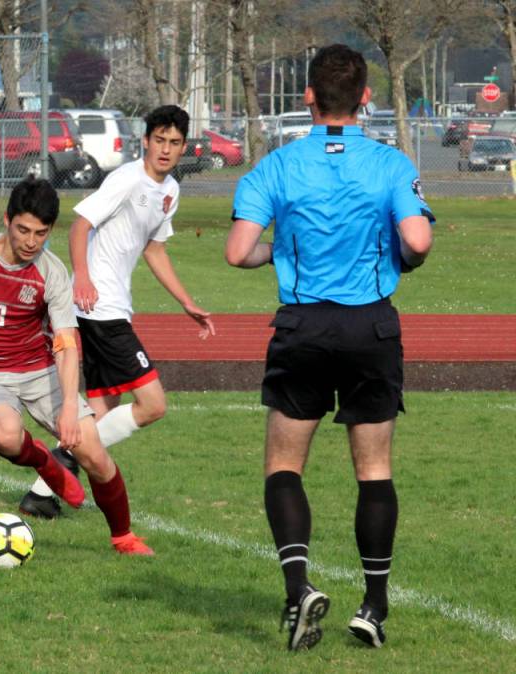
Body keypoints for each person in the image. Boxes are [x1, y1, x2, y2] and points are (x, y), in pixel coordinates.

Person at [225, 44, 433, 651]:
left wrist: (281, 253)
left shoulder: (275, 166)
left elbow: (238, 252)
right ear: (366, 97)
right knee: (373, 470)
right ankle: (373, 606)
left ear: (308, 97)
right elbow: (417, 242)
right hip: (369, 327)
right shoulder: (392, 163)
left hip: (304, 328)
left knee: (284, 466)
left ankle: (298, 591)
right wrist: (396, 256)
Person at [0, 176, 153, 555]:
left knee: (94, 454)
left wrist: (70, 410)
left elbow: (66, 343)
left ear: (50, 230)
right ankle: (45, 462)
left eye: (40, 233)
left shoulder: (51, 272)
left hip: (39, 371)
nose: (30, 241)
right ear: (7, 220)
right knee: (6, 436)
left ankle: (123, 537)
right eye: (23, 230)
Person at [18, 105, 216, 520]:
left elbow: (154, 248)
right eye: (158, 140)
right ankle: (60, 469)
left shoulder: (170, 191)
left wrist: (186, 301)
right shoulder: (126, 179)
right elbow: (80, 225)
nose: (165, 149)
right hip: (99, 308)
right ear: (145, 141)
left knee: (104, 409)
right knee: (153, 404)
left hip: (110, 308)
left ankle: (41, 493)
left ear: (183, 148)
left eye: (174, 143)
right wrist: (83, 278)